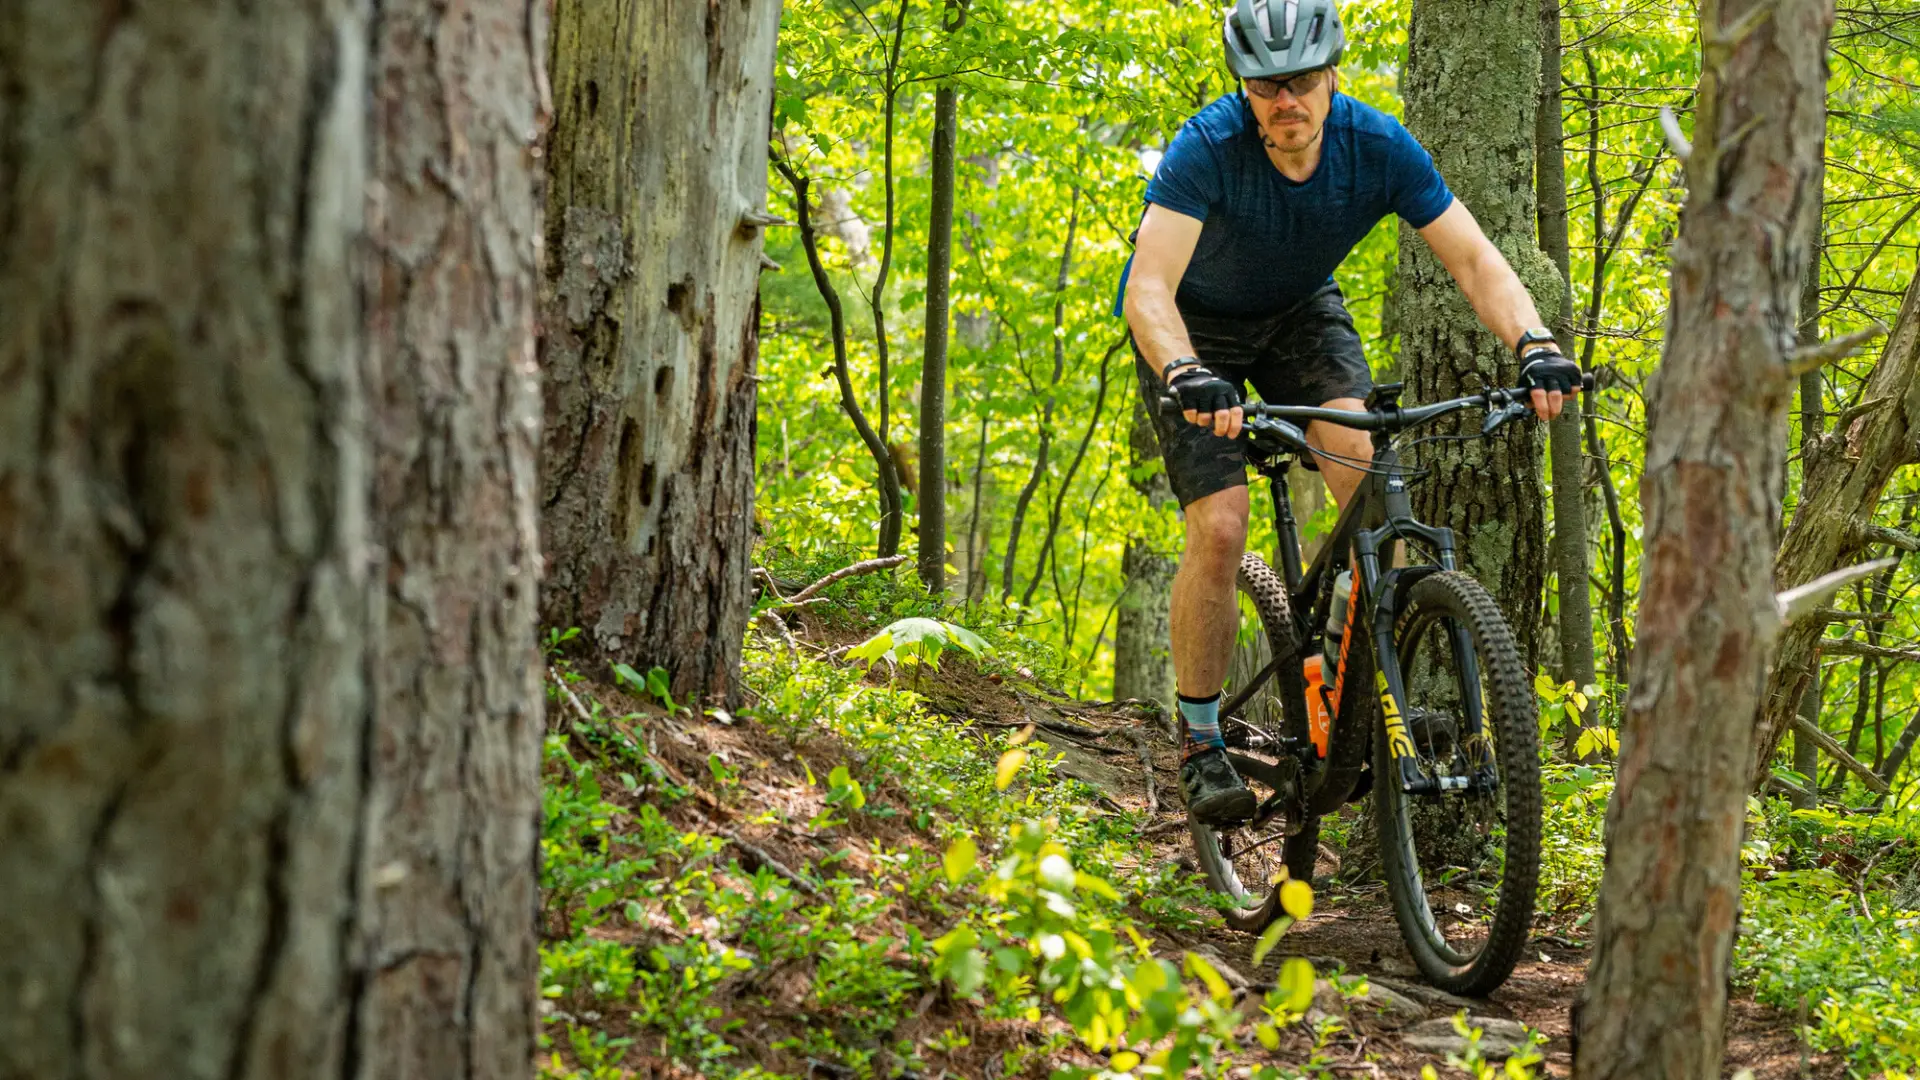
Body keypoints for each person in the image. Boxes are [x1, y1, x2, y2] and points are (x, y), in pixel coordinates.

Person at [1116, 0, 1582, 826]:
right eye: (1265, 86)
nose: (1284, 101)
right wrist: (1185, 369)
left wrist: (1535, 344)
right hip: (1195, 337)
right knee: (1222, 528)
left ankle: (1353, 690)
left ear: (1333, 75)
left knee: (1374, 492)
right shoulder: (1208, 148)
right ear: (1244, 88)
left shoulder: (1377, 146)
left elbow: (1475, 259)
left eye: (1300, 81)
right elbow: (1147, 286)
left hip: (1301, 315)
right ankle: (1198, 739)